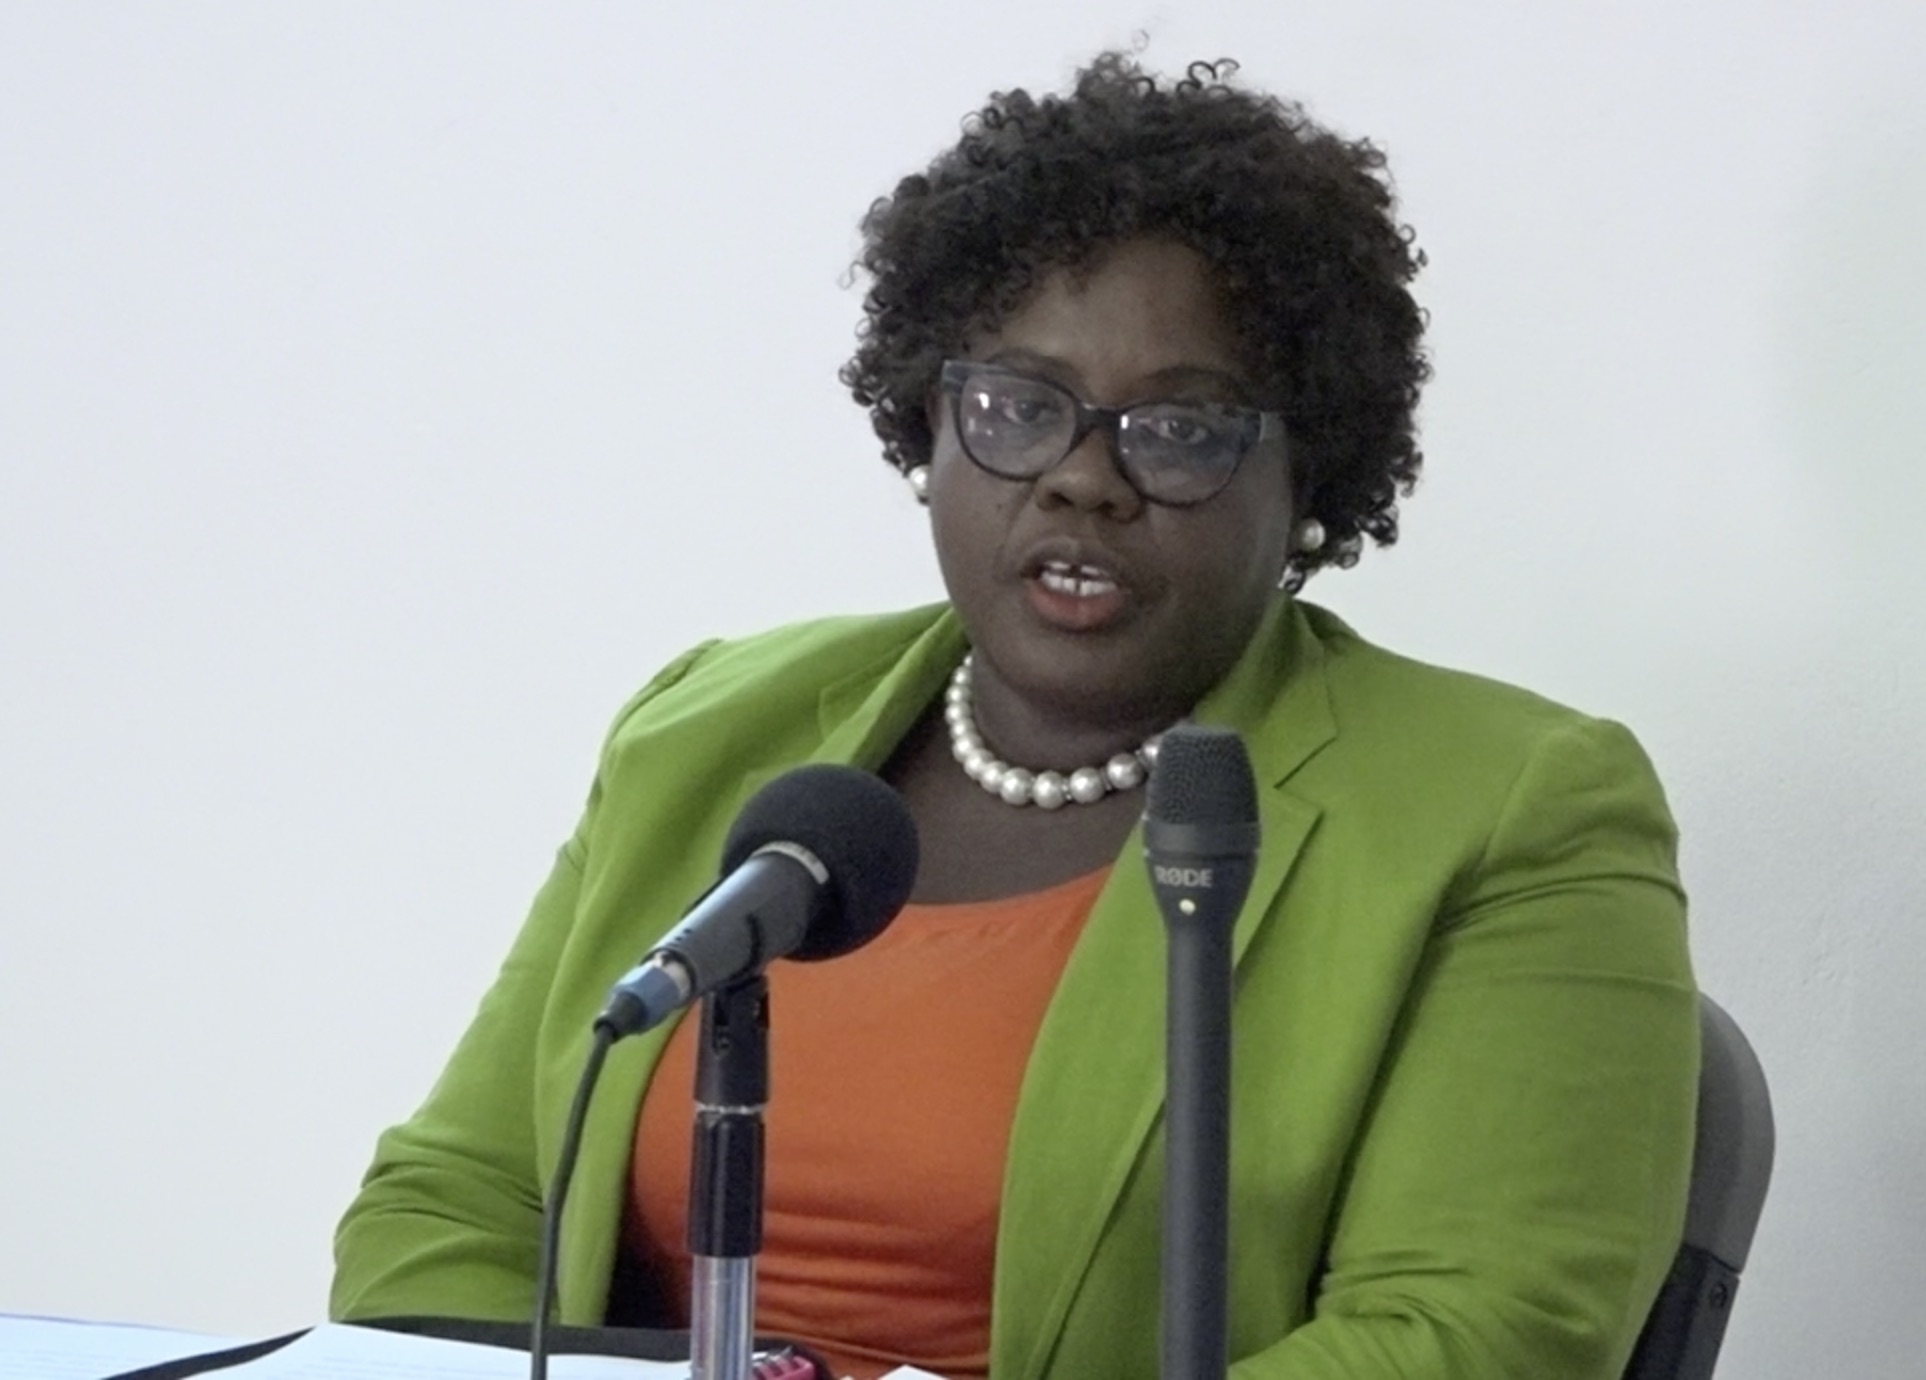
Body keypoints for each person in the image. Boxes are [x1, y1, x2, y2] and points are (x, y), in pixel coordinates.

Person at [330, 54, 1698, 1380]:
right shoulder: (708, 732)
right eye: (1019, 407)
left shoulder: (1509, 805)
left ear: (1307, 473)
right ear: (928, 425)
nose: (1080, 480)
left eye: (1177, 429)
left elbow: (1474, 1336)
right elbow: (457, 1197)